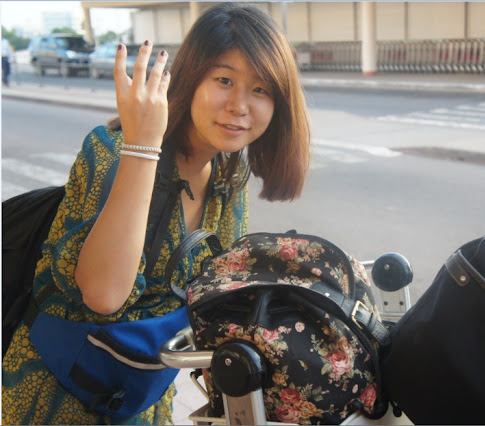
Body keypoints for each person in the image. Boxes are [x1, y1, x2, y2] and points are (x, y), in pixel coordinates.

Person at [1, 3, 310, 424]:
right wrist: (143, 147)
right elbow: (104, 295)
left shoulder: (228, 177)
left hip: (142, 396)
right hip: (57, 394)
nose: (240, 105)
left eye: (260, 90)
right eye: (224, 80)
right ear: (191, 77)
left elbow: (214, 292)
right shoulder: (111, 151)